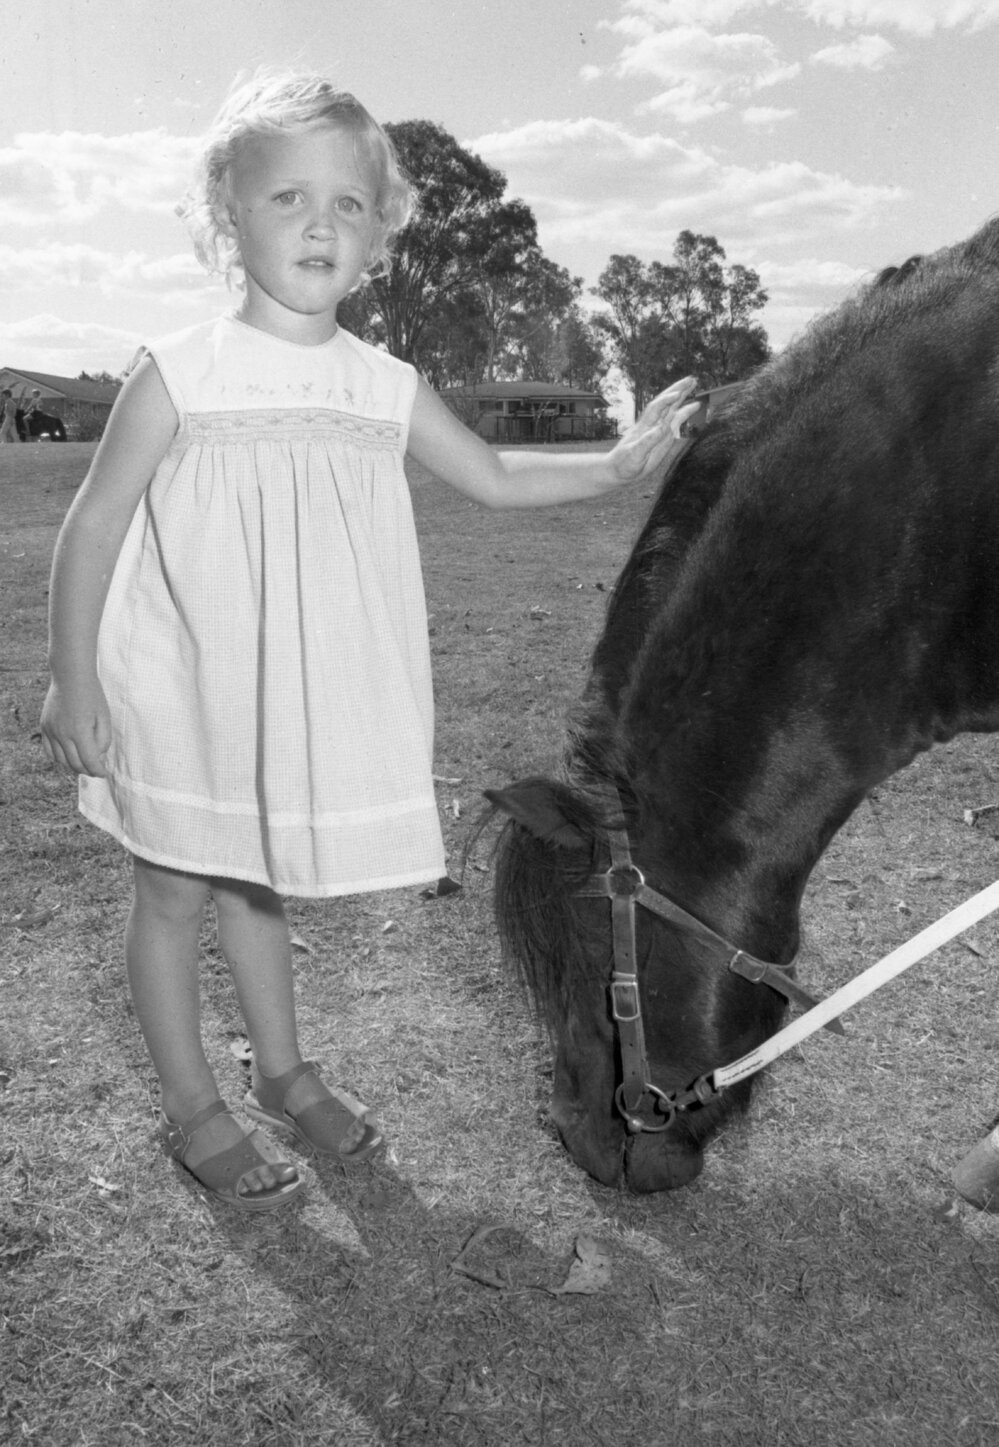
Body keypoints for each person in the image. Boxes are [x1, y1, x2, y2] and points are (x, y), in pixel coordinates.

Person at [39, 69, 698, 1213]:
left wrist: (617, 463)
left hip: (286, 697)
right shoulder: (180, 371)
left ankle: (285, 1073)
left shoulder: (380, 383)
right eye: (287, 197)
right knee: (175, 894)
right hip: (180, 686)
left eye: (349, 204)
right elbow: (93, 523)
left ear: (382, 233)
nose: (319, 224)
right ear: (227, 215)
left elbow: (490, 476)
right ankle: (195, 1108)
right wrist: (70, 676)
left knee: (258, 890)